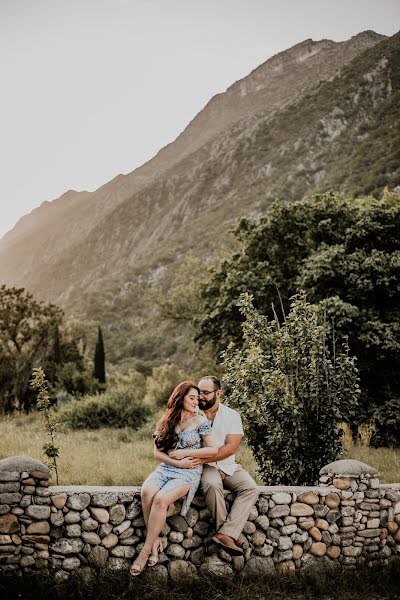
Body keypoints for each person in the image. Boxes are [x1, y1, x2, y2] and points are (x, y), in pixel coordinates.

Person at [130, 380, 217, 576]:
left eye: (198, 398)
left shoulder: (200, 421)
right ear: (180, 398)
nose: (196, 402)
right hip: (167, 468)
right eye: (192, 398)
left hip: (189, 472)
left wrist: (185, 455)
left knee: (160, 499)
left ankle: (145, 551)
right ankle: (155, 541)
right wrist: (177, 462)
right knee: (146, 493)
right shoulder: (166, 420)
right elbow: (157, 453)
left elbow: (213, 449)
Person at [197, 376, 259, 556]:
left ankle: (225, 533)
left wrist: (204, 455)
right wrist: (201, 459)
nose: (201, 396)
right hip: (205, 466)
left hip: (229, 465)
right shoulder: (192, 414)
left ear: (218, 393)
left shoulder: (232, 415)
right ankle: (229, 535)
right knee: (212, 484)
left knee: (251, 488)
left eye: (206, 393)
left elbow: (230, 448)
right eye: (199, 391)